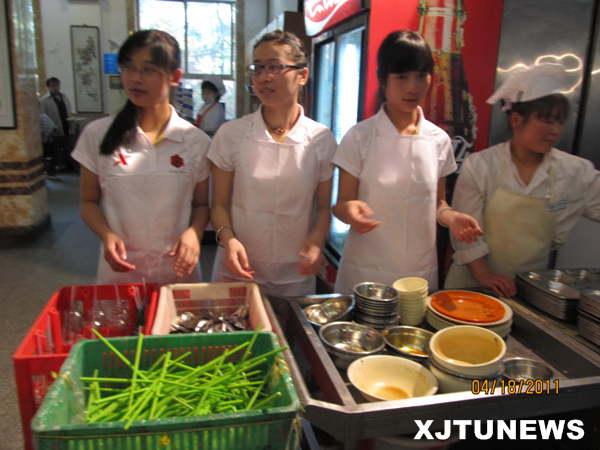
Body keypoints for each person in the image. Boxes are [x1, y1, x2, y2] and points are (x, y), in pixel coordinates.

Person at [332, 30, 482, 294]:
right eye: (401, 77)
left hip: (418, 269)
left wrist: (452, 217)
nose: (412, 87)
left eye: (421, 76)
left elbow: (438, 203)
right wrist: (350, 211)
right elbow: (340, 204)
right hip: (366, 266)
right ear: (383, 79)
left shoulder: (439, 140)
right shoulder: (360, 137)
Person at [445, 63, 600, 298]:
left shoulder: (575, 172)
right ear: (516, 120)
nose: (556, 130)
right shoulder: (481, 165)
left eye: (560, 122)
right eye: (547, 121)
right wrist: (485, 276)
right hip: (471, 285)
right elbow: (467, 234)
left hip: (529, 291)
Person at [72, 29, 212, 286]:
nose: (135, 78)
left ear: (174, 77)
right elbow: (88, 201)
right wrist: (106, 234)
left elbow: (202, 205)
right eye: (128, 67)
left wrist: (194, 233)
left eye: (148, 69)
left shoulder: (195, 142)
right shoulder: (98, 134)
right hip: (120, 274)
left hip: (177, 272)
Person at [209, 29, 337, 297]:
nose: (264, 77)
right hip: (237, 266)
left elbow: (324, 209)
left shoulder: (321, 139)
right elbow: (219, 204)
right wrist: (228, 239)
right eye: (257, 68)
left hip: (294, 270)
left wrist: (316, 243)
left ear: (302, 75)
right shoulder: (231, 134)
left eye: (274, 67)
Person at [40, 77, 75, 173]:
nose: (55, 88)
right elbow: (44, 116)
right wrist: (53, 127)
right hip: (54, 130)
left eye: (57, 86)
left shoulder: (64, 97)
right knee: (55, 151)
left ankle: (69, 167)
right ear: (48, 87)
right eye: (53, 86)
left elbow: (68, 111)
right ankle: (51, 171)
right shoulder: (45, 100)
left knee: (70, 149)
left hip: (67, 128)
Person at [39, 106, 58, 179]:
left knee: (46, 156)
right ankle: (50, 173)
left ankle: (48, 172)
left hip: (45, 139)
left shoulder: (37, 117)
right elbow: (53, 127)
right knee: (49, 156)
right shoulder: (44, 116)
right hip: (51, 138)